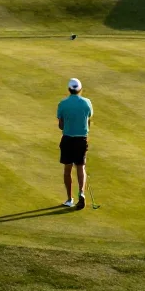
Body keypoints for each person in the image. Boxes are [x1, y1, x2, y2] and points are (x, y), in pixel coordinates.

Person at [56, 77, 93, 209]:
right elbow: (88, 121)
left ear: (69, 89)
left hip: (67, 139)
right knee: (80, 167)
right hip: (81, 139)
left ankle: (69, 199)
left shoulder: (62, 104)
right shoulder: (87, 102)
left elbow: (61, 125)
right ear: (80, 89)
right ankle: (81, 193)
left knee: (67, 170)